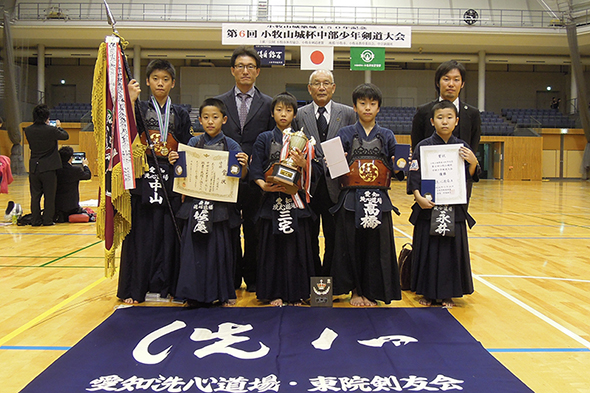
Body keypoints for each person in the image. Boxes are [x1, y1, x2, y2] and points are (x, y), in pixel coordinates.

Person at [119, 59, 193, 304]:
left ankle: (170, 286)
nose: (160, 83)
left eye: (165, 79)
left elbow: (187, 146)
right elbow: (124, 133)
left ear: (173, 83)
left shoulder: (180, 113)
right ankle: (136, 288)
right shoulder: (138, 108)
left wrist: (177, 155)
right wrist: (129, 100)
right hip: (144, 175)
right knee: (142, 232)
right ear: (148, 81)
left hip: (171, 177)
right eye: (155, 79)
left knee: (170, 232)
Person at [168, 98, 249, 307]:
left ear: (224, 119)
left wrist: (244, 165)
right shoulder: (193, 144)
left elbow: (240, 177)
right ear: (200, 121)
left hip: (221, 209)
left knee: (220, 252)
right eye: (205, 117)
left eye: (215, 117)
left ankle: (222, 293)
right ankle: (191, 294)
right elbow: (181, 176)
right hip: (195, 206)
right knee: (193, 251)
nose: (210, 121)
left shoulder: (232, 145)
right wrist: (175, 162)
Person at [331, 83, 404, 307]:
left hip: (378, 199)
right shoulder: (343, 133)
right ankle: (355, 291)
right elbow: (332, 169)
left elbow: (400, 169)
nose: (367, 108)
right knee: (351, 246)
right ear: (354, 107)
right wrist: (336, 160)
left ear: (379, 108)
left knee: (376, 248)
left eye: (372, 104)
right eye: (362, 103)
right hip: (351, 198)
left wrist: (401, 166)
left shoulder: (388, 135)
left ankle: (372, 292)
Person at [407, 100, 480, 308]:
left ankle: (449, 293)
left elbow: (470, 176)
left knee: (450, 252)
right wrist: (418, 197)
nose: (444, 122)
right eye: (440, 118)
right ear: (432, 121)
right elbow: (414, 176)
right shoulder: (423, 146)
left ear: (456, 121)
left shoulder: (462, 148)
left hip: (453, 208)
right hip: (428, 208)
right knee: (428, 249)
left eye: (449, 118)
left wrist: (473, 162)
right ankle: (427, 293)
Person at [249, 92, 319, 307]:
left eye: (288, 110)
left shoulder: (303, 140)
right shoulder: (264, 138)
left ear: (294, 114)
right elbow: (256, 167)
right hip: (272, 201)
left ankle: (297, 294)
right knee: (273, 249)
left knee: (297, 247)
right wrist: (264, 186)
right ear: (272, 113)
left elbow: (315, 171)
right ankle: (274, 293)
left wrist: (304, 163)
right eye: (279, 109)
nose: (283, 114)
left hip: (296, 201)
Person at [216, 46, 275, 293]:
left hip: (255, 179)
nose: (245, 71)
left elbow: (272, 142)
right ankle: (228, 279)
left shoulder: (269, 104)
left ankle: (253, 279)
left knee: (254, 229)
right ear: (232, 70)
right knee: (227, 228)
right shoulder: (219, 102)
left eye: (250, 66)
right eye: (240, 66)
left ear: (258, 71)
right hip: (224, 178)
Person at [292, 69, 357, 277]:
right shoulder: (300, 115)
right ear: (309, 88)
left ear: (333, 87)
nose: (322, 87)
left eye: (326, 83)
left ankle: (329, 281)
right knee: (308, 236)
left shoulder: (348, 113)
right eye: (317, 83)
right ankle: (310, 279)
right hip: (308, 186)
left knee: (334, 237)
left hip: (336, 186)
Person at [411, 60, 481, 154]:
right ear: (437, 82)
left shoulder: (473, 114)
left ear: (462, 84)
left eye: (456, 80)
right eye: (446, 79)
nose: (451, 84)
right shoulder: (423, 111)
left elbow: (473, 148)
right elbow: (417, 146)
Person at [24, 104, 69, 226]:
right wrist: (58, 127)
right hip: (49, 167)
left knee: (35, 196)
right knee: (49, 196)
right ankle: (48, 220)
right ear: (46, 117)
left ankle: (35, 220)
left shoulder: (28, 130)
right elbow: (65, 136)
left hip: (34, 167)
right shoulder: (51, 130)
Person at [54, 146, 92, 222]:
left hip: (57, 207)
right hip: (72, 206)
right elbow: (88, 175)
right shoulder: (75, 170)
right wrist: (85, 165)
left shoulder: (55, 170)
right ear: (70, 158)